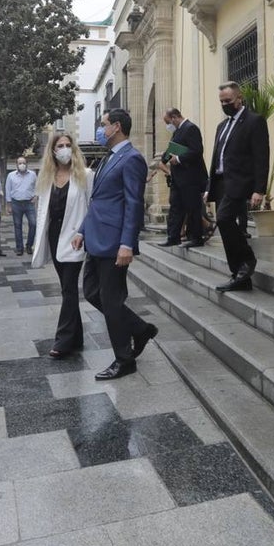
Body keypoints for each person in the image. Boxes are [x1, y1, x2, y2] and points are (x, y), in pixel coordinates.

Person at [74, 109, 155, 380]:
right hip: (96, 239)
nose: (100, 129)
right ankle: (140, 328)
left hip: (114, 244)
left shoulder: (132, 159)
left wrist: (127, 244)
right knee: (92, 292)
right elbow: (99, 201)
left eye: (103, 124)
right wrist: (82, 230)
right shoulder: (109, 158)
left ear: (116, 127)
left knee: (111, 300)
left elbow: (133, 204)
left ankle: (124, 359)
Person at [32, 132, 94, 358]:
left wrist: (83, 232)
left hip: (75, 238)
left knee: (69, 288)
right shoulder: (47, 177)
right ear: (53, 150)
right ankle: (76, 338)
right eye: (60, 145)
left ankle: (63, 340)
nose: (65, 149)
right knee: (66, 288)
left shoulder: (85, 175)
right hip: (55, 236)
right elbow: (43, 212)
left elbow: (92, 207)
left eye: (68, 145)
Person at [205, 82, 269, 292]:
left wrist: (259, 189)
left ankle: (246, 262)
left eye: (228, 101)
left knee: (223, 219)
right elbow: (217, 158)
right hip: (222, 181)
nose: (224, 104)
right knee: (225, 223)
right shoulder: (222, 126)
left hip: (241, 181)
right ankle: (240, 276)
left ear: (239, 98)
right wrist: (209, 187)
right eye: (221, 101)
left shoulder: (254, 121)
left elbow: (261, 156)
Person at [156, 108, 208, 248]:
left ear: (174, 117)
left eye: (168, 122)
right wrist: (164, 159)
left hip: (190, 177)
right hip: (178, 178)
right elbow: (172, 148)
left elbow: (197, 150)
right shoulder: (177, 131)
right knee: (175, 207)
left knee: (192, 208)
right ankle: (173, 237)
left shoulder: (191, 128)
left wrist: (178, 159)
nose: (168, 125)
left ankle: (195, 237)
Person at [5, 156, 37, 255]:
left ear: (27, 164)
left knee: (33, 224)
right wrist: (9, 205)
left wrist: (36, 196)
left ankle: (29, 245)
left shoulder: (32, 174)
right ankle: (19, 248)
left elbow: (38, 186)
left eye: (23, 163)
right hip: (16, 203)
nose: (22, 165)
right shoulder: (11, 175)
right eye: (20, 163)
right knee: (17, 226)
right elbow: (8, 189)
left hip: (29, 203)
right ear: (16, 165)